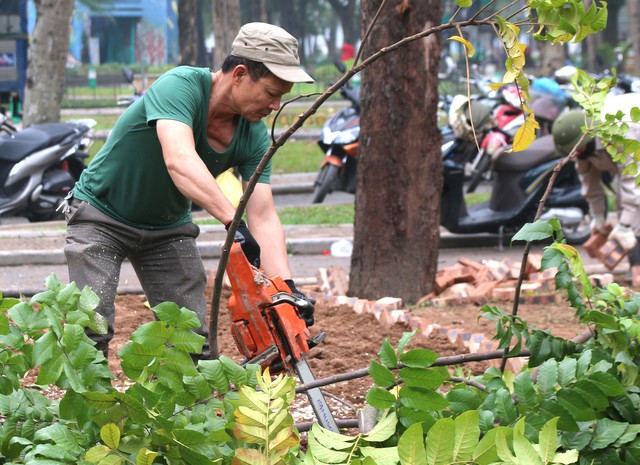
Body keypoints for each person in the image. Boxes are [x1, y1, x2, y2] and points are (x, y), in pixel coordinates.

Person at [61, 22, 316, 359]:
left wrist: (285, 288)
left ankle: (189, 409)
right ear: (239, 74)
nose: (275, 105)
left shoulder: (253, 135)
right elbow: (179, 159)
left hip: (166, 230)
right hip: (101, 216)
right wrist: (232, 221)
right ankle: (89, 408)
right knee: (90, 326)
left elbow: (264, 215)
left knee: (191, 338)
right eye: (271, 93)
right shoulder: (180, 86)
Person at [552, 94, 640, 285]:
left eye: (576, 151)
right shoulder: (583, 144)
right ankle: (636, 268)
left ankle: (637, 267)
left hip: (635, 140)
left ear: (586, 141)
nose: (574, 155)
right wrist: (598, 218)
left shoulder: (619, 134)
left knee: (632, 210)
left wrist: (625, 226)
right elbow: (590, 184)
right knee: (626, 207)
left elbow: (633, 184)